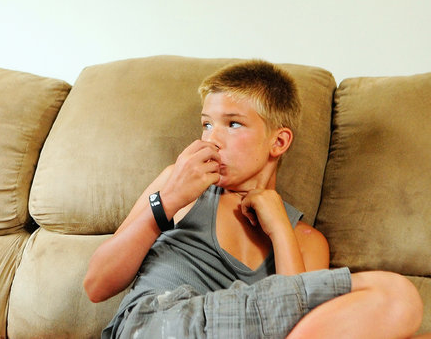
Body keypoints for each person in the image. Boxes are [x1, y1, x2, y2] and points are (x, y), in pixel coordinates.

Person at [83, 60, 425, 338]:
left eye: (233, 124)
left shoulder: (306, 241)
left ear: (278, 142)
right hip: (159, 323)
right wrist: (167, 201)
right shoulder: (179, 185)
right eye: (206, 124)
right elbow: (97, 285)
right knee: (397, 296)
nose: (212, 139)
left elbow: (295, 316)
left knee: (399, 310)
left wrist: (280, 231)